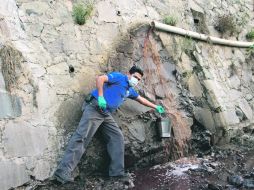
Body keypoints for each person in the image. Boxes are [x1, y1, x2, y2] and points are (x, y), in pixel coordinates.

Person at [53, 65, 165, 184]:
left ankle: (117, 173)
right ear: (128, 74)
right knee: (82, 137)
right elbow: (100, 79)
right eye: (135, 77)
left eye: (139, 79)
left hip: (105, 114)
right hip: (95, 107)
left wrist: (156, 106)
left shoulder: (129, 90)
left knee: (117, 137)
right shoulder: (119, 77)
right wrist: (101, 97)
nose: (136, 80)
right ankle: (62, 172)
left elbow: (141, 99)